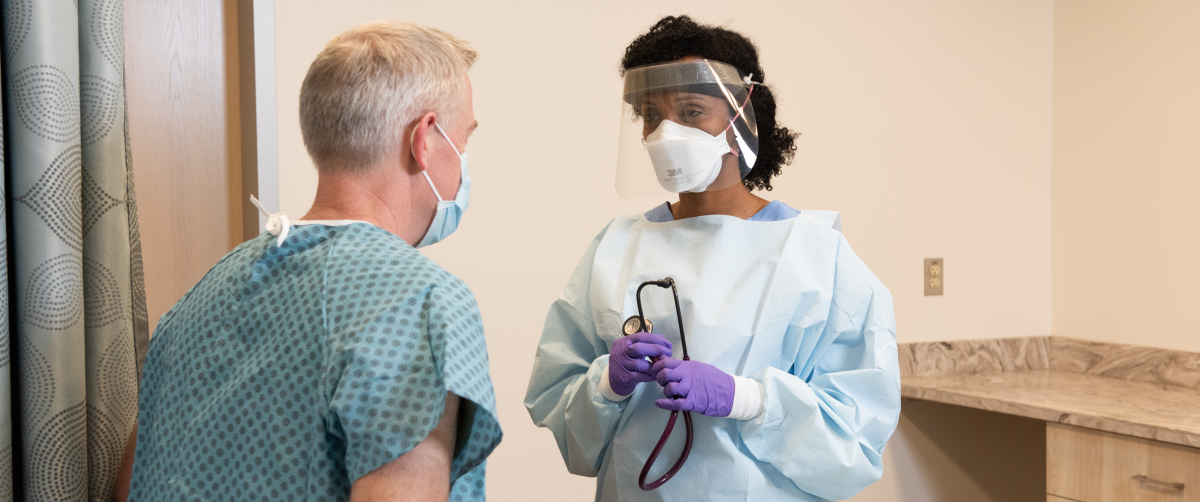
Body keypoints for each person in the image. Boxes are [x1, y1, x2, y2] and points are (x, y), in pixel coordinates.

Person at [114, 21, 501, 502]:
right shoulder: (419, 302)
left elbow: (133, 482)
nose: (462, 160)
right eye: (462, 140)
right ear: (424, 139)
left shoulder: (197, 301)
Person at [524, 16, 899, 502]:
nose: (665, 134)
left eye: (691, 110)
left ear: (741, 115)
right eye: (651, 115)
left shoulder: (815, 255)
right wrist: (608, 385)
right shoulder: (615, 249)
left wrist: (745, 398)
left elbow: (856, 441)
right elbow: (560, 411)